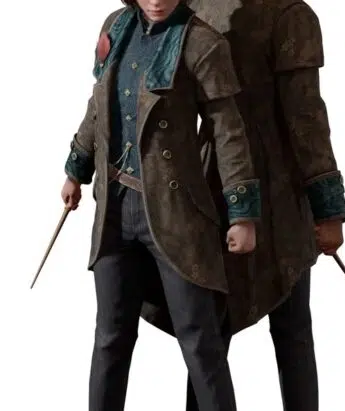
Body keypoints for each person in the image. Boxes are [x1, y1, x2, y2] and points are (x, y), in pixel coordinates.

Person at [140, 1, 345, 410]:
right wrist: (329, 210)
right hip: (235, 186)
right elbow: (306, 120)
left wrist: (327, 206)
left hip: (245, 185)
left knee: (226, 328)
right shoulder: (283, 13)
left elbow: (305, 119)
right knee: (229, 328)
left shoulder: (207, 8)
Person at [60, 1, 261, 410]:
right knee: (110, 337)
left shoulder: (203, 42)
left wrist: (242, 214)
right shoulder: (115, 26)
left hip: (177, 213)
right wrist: (77, 169)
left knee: (200, 340)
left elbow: (228, 131)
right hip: (114, 211)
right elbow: (98, 104)